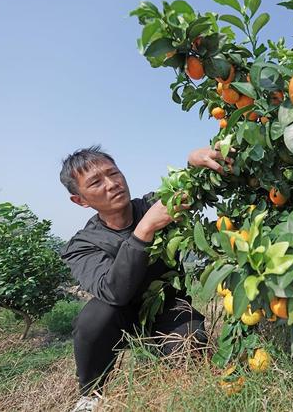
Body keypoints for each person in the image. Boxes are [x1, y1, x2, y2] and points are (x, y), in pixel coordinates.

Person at [59, 145, 230, 412]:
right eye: (96, 182)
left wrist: (194, 164)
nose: (112, 184)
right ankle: (91, 393)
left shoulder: (154, 204)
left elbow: (190, 187)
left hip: (169, 309)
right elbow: (113, 291)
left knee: (190, 353)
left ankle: (166, 354)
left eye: (113, 173)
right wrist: (146, 228)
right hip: (119, 317)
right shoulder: (82, 244)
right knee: (94, 317)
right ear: (80, 200)